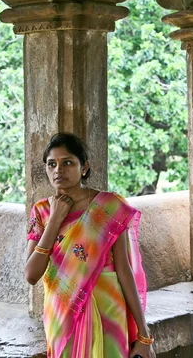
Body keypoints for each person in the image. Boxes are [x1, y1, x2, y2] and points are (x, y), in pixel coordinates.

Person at [25, 133, 156, 358]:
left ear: (84, 167)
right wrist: (55, 220)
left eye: (67, 162)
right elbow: (31, 274)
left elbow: (124, 271)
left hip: (108, 311)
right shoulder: (42, 211)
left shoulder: (109, 207)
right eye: (52, 164)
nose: (58, 170)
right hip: (63, 316)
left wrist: (144, 336)